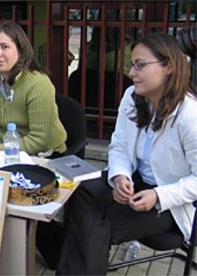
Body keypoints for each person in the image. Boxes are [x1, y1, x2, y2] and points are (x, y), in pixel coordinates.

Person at [56, 32, 197, 274]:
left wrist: (158, 196)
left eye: (140, 65)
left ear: (169, 67)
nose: (132, 73)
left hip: (171, 200)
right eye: (132, 65)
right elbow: (119, 146)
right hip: (135, 181)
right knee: (81, 193)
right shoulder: (133, 97)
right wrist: (120, 177)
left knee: (93, 227)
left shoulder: (189, 116)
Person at [0, 21, 67, 156]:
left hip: (45, 155)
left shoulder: (38, 83)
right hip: (3, 152)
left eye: (5, 47)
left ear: (20, 50)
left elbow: (40, 140)